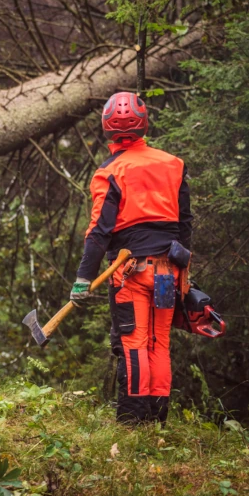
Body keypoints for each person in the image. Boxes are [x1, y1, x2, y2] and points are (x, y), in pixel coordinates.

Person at [70, 92, 192, 424]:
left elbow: (99, 231)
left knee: (134, 344)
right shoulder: (173, 164)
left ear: (107, 128)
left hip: (131, 273)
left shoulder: (110, 171)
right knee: (160, 343)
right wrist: (184, 273)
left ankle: (134, 424)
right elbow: (185, 224)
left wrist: (83, 278)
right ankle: (159, 423)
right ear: (144, 123)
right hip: (168, 270)